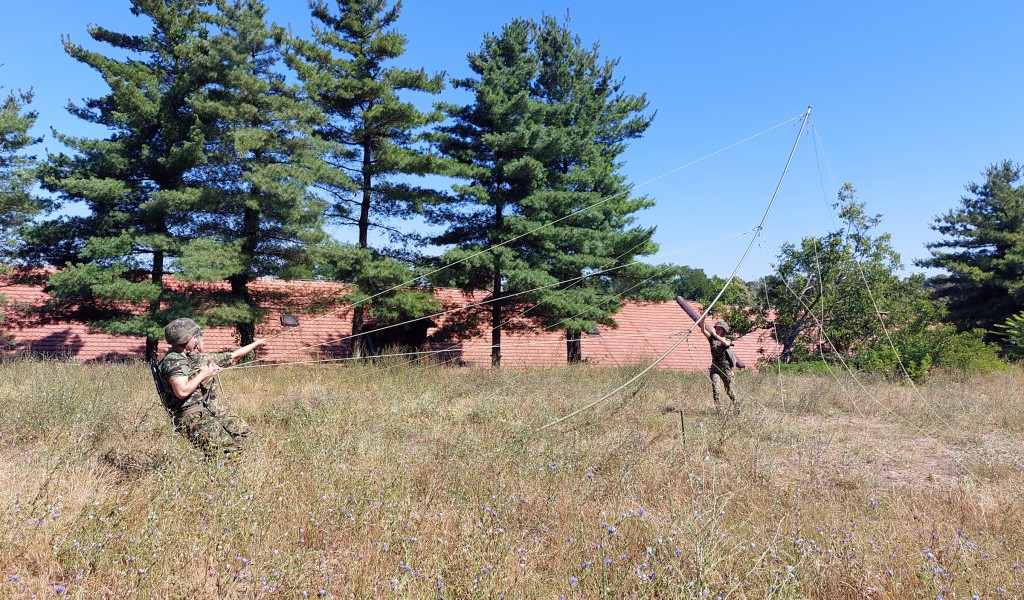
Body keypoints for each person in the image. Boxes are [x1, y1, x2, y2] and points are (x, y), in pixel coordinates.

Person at [157, 318, 267, 456]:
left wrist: (257, 343)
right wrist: (203, 374)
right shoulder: (173, 360)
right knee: (229, 453)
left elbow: (233, 356)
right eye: (196, 337)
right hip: (191, 417)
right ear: (187, 339)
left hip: (200, 412)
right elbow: (181, 391)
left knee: (239, 441)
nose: (198, 340)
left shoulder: (185, 357)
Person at [698, 316, 740, 415]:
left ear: (724, 330)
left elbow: (726, 344)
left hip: (725, 367)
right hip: (715, 366)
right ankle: (719, 410)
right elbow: (703, 330)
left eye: (719, 329)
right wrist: (703, 319)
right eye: (716, 328)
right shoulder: (712, 338)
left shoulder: (726, 339)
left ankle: (737, 407)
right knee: (715, 389)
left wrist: (715, 335)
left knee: (728, 389)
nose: (717, 330)